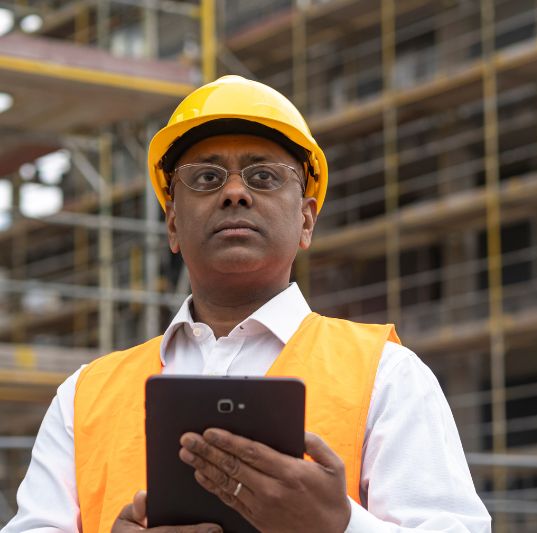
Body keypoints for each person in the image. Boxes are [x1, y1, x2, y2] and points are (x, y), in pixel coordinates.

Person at [1, 75, 491, 533]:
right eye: (207, 178)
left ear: (306, 220)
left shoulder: (387, 376)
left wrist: (340, 526)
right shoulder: (83, 399)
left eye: (263, 176)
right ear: (172, 223)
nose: (235, 192)